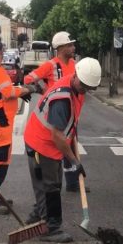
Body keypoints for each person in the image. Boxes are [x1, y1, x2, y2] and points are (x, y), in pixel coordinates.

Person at [22, 57, 101, 243]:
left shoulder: (75, 86)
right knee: (50, 186)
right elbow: (57, 136)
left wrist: (72, 132)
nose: (85, 90)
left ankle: (38, 215)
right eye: (84, 86)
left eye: (89, 88)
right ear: (76, 76)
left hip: (47, 143)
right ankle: (51, 228)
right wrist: (75, 162)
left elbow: (67, 126)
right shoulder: (62, 99)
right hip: (41, 144)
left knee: (51, 183)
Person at [0, 39, 38, 214]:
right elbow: (8, 92)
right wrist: (27, 90)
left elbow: (2, 91)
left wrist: (18, 91)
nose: (3, 53)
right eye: (2, 51)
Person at [23, 31, 81, 194]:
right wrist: (45, 90)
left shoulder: (74, 64)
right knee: (58, 148)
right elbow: (29, 79)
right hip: (56, 113)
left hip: (72, 113)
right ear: (61, 48)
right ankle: (53, 191)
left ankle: (73, 183)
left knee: (71, 147)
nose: (73, 47)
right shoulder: (51, 65)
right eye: (70, 45)